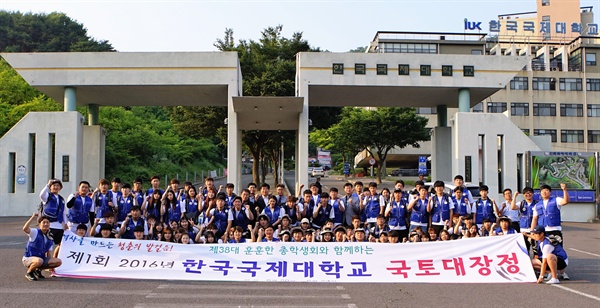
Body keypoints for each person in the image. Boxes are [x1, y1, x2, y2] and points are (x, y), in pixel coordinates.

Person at [22, 213, 62, 281]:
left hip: (41, 259)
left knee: (58, 262)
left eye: (47, 222)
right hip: (28, 258)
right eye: (44, 222)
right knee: (39, 261)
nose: (46, 224)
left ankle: (38, 270)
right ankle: (29, 273)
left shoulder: (50, 236)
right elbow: (25, 229)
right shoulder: (35, 232)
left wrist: (50, 265)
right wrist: (32, 217)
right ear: (39, 224)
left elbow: (48, 253)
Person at [39, 178, 67, 260]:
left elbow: (63, 212)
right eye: (54, 185)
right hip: (49, 224)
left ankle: (54, 259)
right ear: (50, 187)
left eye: (58, 186)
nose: (56, 187)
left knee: (61, 243)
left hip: (58, 225)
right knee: (48, 244)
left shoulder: (61, 199)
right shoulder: (47, 196)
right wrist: (47, 185)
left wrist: (65, 223)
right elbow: (41, 195)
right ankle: (48, 261)